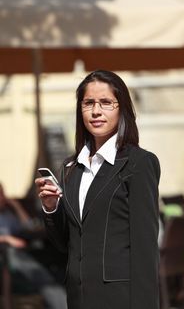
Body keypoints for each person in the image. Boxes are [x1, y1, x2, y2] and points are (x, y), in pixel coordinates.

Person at [35, 70, 161, 309]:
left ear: (121, 108)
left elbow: (145, 249)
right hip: (78, 298)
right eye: (88, 103)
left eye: (106, 103)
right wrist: (51, 209)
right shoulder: (71, 167)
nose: (96, 111)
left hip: (120, 299)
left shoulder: (139, 164)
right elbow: (66, 244)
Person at [0, 182, 67, 309]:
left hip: (21, 251)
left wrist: (16, 206)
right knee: (42, 278)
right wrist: (7, 239)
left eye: (3, 193)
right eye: (0, 194)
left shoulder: (7, 214)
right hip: (8, 255)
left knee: (55, 255)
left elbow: (29, 226)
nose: (3, 197)